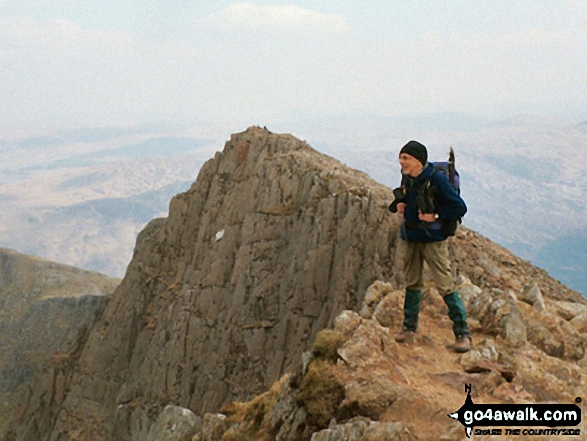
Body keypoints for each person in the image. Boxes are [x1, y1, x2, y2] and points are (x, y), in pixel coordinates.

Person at [392, 140, 471, 353]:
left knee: (444, 283)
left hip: (433, 239)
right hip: (410, 236)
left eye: (405, 158)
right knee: (412, 281)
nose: (401, 161)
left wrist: (435, 216)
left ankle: (463, 333)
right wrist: (401, 206)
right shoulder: (408, 178)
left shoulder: (436, 180)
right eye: (401, 157)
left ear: (418, 160)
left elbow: (459, 207)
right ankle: (409, 328)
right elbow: (409, 202)